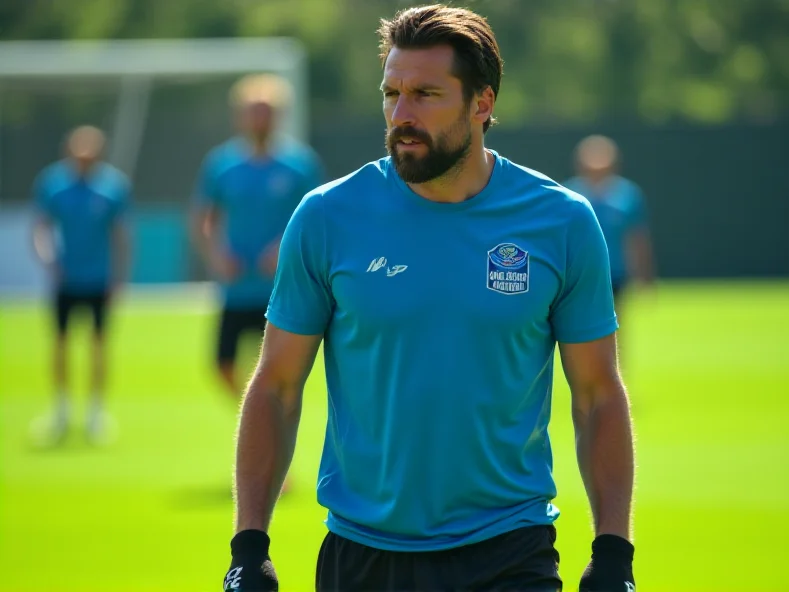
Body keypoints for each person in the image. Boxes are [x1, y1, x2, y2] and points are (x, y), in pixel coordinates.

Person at [223, 5, 636, 592]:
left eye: (425, 94)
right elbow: (277, 385)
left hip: (510, 551)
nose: (402, 114)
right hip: (363, 555)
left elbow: (597, 394)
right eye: (392, 93)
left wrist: (614, 552)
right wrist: (248, 547)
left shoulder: (561, 223)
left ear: (482, 103)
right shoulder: (326, 217)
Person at [190, 73, 325, 402]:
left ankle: (273, 413)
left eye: (266, 111)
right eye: (253, 110)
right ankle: (253, 410)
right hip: (236, 288)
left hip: (281, 286)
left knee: (283, 367)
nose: (259, 118)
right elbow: (203, 217)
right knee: (222, 365)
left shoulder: (299, 164)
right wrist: (217, 255)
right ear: (240, 115)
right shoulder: (222, 164)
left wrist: (283, 248)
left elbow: (318, 218)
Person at [31, 125, 131, 446]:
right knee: (60, 343)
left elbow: (120, 235)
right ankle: (61, 409)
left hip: (98, 279)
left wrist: (118, 277)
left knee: (98, 344)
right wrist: (48, 259)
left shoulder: (112, 187)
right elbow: (41, 228)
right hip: (66, 278)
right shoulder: (54, 184)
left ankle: (95, 412)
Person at [563, 135, 656, 319]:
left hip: (613, 273)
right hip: (576, 272)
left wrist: (644, 276)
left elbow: (636, 238)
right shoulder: (567, 194)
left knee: (611, 322)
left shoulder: (627, 194)